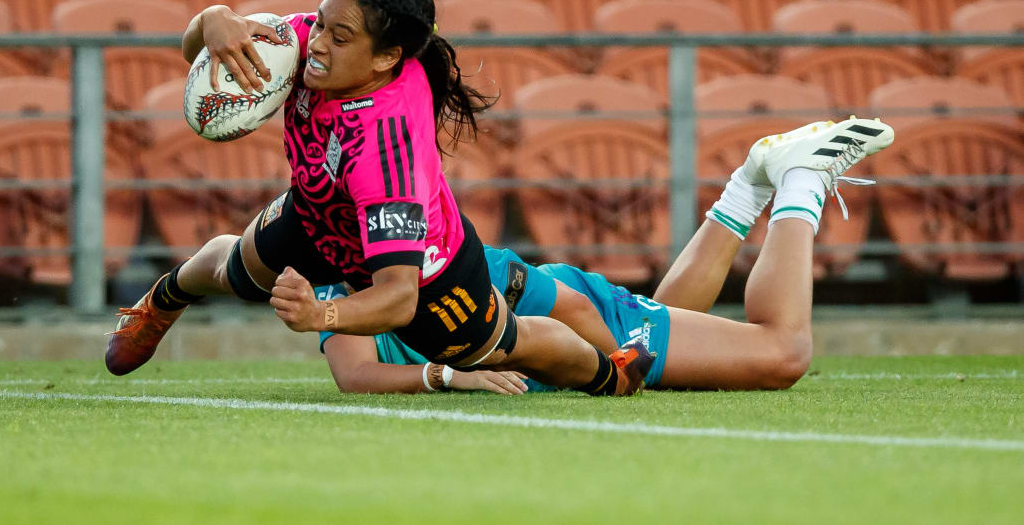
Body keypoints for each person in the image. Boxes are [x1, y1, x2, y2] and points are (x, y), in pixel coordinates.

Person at [105, 0, 653, 396]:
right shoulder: (310, 43)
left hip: (428, 268)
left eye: (337, 36)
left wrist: (323, 314)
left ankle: (614, 374)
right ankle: (160, 302)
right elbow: (202, 61)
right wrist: (213, 19)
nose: (315, 42)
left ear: (386, 57)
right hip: (322, 213)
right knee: (234, 272)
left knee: (506, 345)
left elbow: (396, 298)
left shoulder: (386, 149)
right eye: (319, 21)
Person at [315, 116, 894, 394]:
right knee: (666, 321)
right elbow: (355, 374)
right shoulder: (332, 267)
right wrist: (445, 377)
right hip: (565, 332)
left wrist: (616, 368)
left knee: (783, 355)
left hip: (583, 313)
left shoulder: (453, 261)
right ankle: (750, 182)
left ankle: (801, 180)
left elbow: (563, 305)